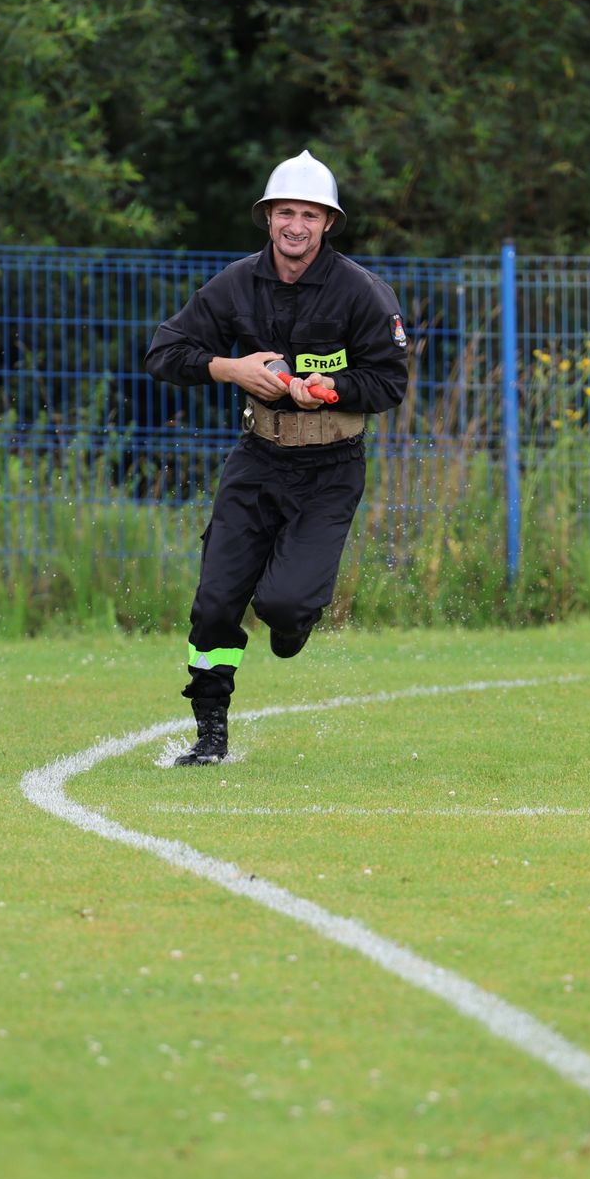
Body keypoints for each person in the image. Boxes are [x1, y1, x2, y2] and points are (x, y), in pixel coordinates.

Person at [145, 149, 410, 765]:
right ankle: (210, 733)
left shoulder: (362, 292)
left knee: (283, 606)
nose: (296, 226)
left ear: (328, 223)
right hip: (257, 459)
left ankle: (293, 623)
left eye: (310, 215)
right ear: (267, 218)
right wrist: (228, 368)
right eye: (285, 212)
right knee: (215, 603)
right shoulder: (236, 282)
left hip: (331, 469)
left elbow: (389, 382)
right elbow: (164, 352)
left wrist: (329, 388)